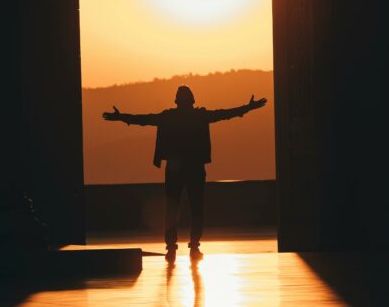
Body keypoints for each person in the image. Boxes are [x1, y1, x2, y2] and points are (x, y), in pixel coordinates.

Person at [102, 85, 267, 261]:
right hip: (195, 167)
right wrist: (248, 108)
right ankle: (194, 246)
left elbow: (144, 119)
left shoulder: (168, 117)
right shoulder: (200, 116)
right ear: (192, 101)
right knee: (197, 208)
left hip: (174, 168)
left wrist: (120, 117)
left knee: (171, 209)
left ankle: (171, 247)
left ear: (177, 101)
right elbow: (225, 114)